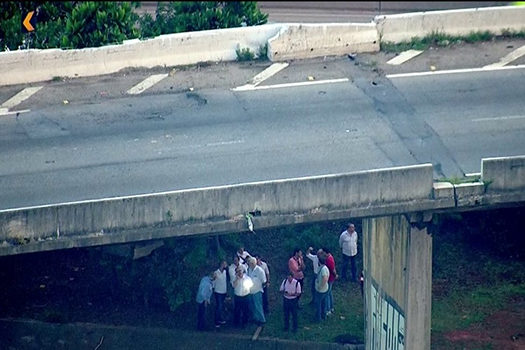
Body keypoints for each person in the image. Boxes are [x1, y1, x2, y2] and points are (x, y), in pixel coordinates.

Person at [246, 256, 267, 325]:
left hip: (257, 290)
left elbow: (264, 281)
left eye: (250, 263)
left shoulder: (260, 270)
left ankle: (261, 319)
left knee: (258, 305)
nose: (249, 264)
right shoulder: (248, 269)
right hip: (250, 290)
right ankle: (255, 318)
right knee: (252, 305)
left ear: (253, 263)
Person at [314, 252, 330, 322]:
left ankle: (319, 318)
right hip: (324, 289)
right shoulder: (324, 268)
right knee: (323, 303)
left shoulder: (323, 269)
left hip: (321, 290)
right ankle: (323, 315)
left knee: (318, 304)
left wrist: (320, 286)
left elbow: (325, 278)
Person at [213, 260, 228, 327]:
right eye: (224, 264)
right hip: (218, 291)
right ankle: (216, 321)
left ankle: (220, 319)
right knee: (219, 306)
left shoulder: (225, 272)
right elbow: (213, 281)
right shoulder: (216, 272)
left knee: (222, 306)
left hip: (224, 291)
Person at [323, 247, 337, 316]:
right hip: (331, 277)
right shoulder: (330, 257)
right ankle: (331, 307)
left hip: (330, 278)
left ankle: (328, 309)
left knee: (327, 294)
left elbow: (333, 269)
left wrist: (335, 275)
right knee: (330, 293)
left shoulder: (329, 259)